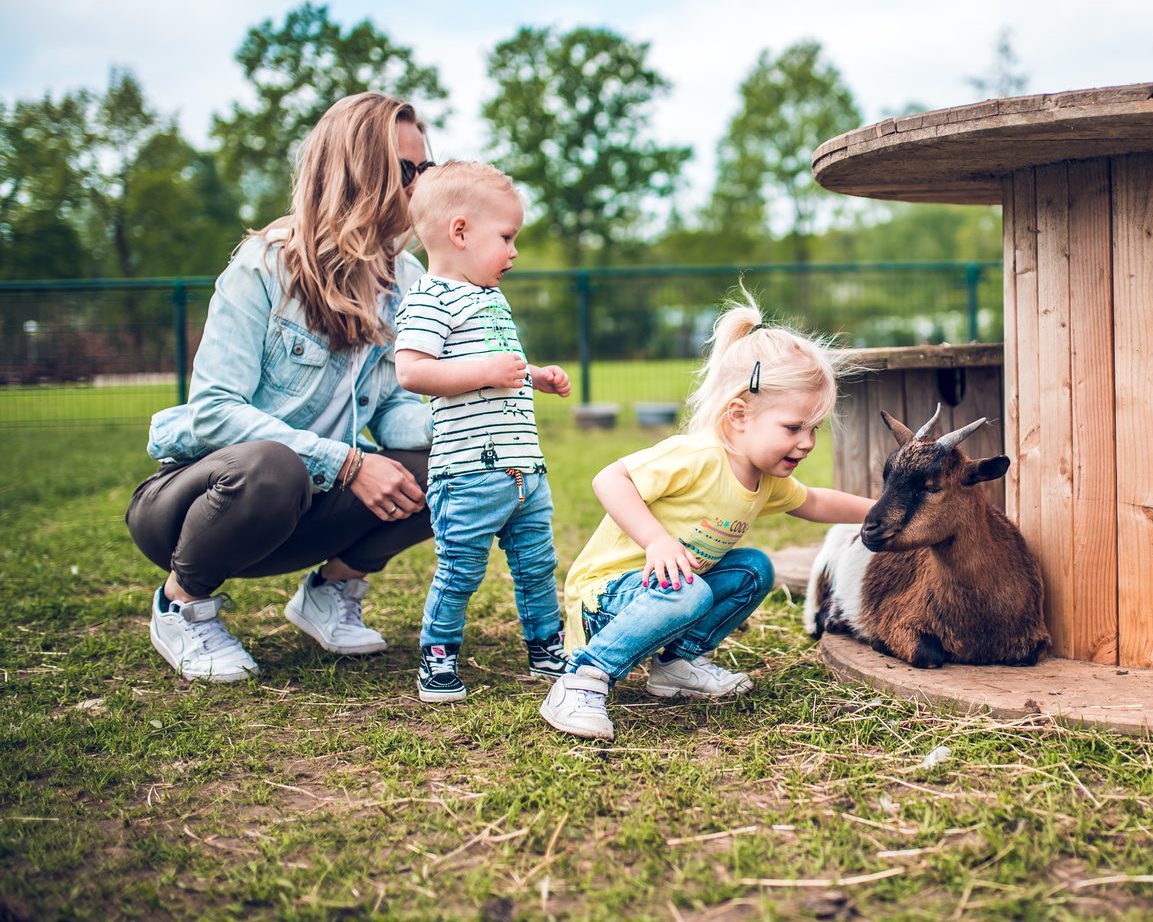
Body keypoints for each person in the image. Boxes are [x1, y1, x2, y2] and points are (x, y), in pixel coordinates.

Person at [127, 92, 436, 682]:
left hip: (304, 510)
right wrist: (347, 463)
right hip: (201, 505)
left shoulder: (406, 279)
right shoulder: (263, 265)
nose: (419, 187)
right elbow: (215, 412)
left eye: (425, 169)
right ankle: (181, 605)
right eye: (404, 171)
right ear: (356, 173)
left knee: (452, 460)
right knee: (274, 464)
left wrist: (469, 416)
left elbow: (395, 407)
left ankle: (331, 591)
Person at [540, 290, 877, 741]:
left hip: (673, 595)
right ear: (739, 415)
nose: (807, 442)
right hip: (606, 600)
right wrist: (656, 541)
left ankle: (675, 665)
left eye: (814, 428)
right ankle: (582, 680)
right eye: (793, 427)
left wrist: (882, 511)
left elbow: (814, 502)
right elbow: (609, 480)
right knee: (690, 592)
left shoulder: (765, 478)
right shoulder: (698, 455)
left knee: (754, 569)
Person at [392, 161, 572, 702]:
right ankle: (438, 659)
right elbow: (412, 372)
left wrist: (533, 376)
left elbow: (498, 363)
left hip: (524, 470)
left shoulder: (490, 297)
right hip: (468, 474)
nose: (514, 252)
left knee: (537, 565)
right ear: (461, 232)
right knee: (460, 572)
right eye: (507, 237)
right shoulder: (429, 298)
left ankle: (546, 647)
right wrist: (486, 371)